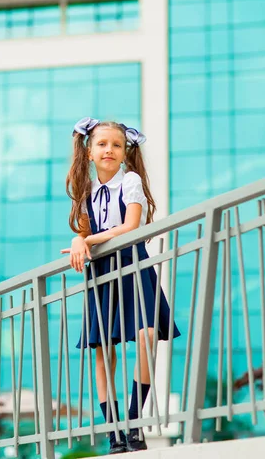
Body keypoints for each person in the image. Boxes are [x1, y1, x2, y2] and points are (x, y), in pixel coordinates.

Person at [61, 118, 180, 455]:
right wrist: (77, 239)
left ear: (125, 151)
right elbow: (82, 233)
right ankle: (114, 432)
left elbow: (130, 226)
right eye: (101, 144)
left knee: (146, 335)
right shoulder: (86, 191)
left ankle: (133, 419)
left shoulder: (130, 181)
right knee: (103, 350)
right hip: (101, 272)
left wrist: (86, 240)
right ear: (88, 152)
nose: (109, 150)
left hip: (132, 264)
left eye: (116, 144)